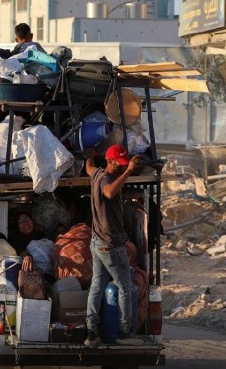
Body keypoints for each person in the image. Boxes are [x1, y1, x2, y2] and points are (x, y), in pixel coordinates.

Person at [84, 144, 144, 346]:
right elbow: (109, 193)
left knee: (97, 287)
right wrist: (128, 172)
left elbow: (89, 167)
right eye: (119, 164)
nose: (122, 167)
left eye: (124, 164)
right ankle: (125, 333)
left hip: (97, 242)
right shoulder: (107, 180)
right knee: (125, 288)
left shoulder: (96, 173)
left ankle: (92, 333)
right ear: (110, 162)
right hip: (110, 245)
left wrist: (90, 155)